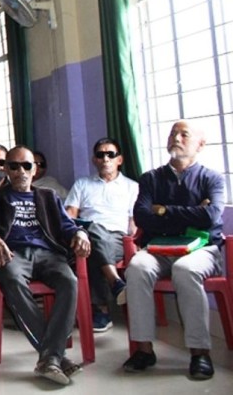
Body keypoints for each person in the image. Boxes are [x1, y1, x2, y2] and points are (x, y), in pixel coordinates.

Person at [0, 146, 91, 386]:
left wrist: (81, 233)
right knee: (13, 280)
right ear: (6, 169)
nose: (20, 171)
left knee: (69, 281)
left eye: (26, 166)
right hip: (13, 254)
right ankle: (55, 356)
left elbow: (66, 225)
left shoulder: (48, 197)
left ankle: (50, 357)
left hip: (47, 254)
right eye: (13, 166)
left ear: (34, 170)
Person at [122, 121, 225, 380]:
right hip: (159, 248)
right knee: (136, 267)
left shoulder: (211, 178)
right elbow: (143, 217)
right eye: (172, 134)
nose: (176, 138)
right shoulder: (151, 178)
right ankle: (144, 349)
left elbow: (211, 216)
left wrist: (164, 210)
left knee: (185, 270)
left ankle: (200, 352)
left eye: (184, 135)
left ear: (200, 145)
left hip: (201, 250)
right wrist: (192, 213)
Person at [64, 137, 137, 332]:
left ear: (119, 160)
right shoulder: (82, 184)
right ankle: (116, 283)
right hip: (86, 234)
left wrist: (135, 245)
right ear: (94, 160)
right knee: (91, 232)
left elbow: (133, 223)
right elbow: (70, 216)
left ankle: (102, 311)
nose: (105, 159)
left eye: (110, 154)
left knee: (90, 246)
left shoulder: (132, 187)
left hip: (118, 239)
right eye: (100, 155)